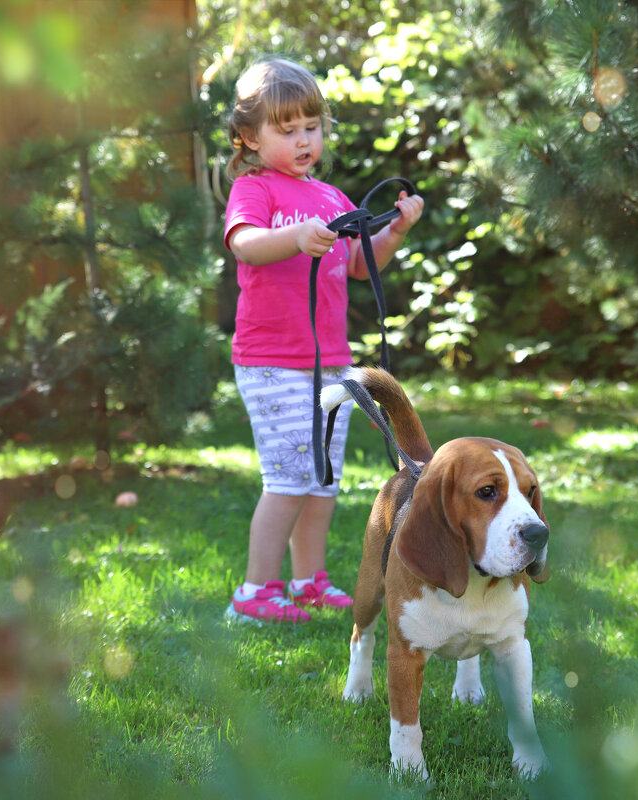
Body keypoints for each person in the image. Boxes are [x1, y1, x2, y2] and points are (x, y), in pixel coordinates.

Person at [222, 58, 424, 624]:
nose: (303, 139)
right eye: (286, 130)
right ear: (249, 138)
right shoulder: (254, 188)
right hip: (272, 362)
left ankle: (309, 580)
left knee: (320, 481)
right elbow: (246, 244)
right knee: (287, 479)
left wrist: (396, 230)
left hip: (329, 363)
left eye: (311, 125)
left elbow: (359, 262)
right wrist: (294, 236)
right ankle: (255, 592)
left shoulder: (332, 197)